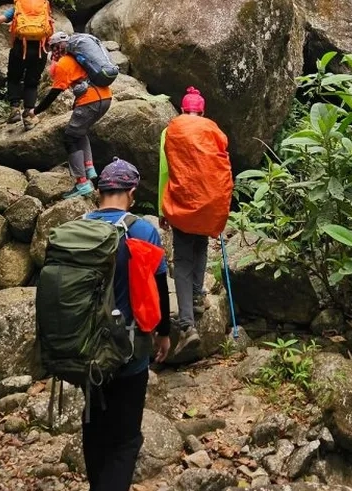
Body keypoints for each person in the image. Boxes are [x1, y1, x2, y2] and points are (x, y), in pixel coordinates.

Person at [83, 159, 171, 491]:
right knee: (126, 440)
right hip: (129, 351)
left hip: (86, 349)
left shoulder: (77, 227)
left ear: (100, 191)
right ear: (131, 193)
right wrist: (164, 334)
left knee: (94, 430)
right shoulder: (142, 230)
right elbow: (159, 288)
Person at [158, 86, 233, 361]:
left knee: (182, 260)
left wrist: (163, 209)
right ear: (202, 110)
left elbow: (166, 172)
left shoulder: (172, 130)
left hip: (183, 203)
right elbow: (222, 168)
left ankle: (187, 324)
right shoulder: (213, 130)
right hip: (209, 202)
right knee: (200, 246)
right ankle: (198, 299)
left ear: (182, 109)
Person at [35, 31, 112, 199]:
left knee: (70, 138)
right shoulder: (80, 58)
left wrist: (35, 111)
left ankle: (82, 183)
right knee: (80, 133)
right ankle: (89, 168)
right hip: (106, 97)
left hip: (90, 101)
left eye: (52, 49)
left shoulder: (64, 63)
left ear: (55, 47)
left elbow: (53, 94)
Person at [0, 0, 53, 130]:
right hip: (40, 50)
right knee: (32, 83)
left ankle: (14, 110)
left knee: (14, 78)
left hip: (20, 48)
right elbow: (50, 29)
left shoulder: (18, 9)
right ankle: (28, 116)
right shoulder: (44, 9)